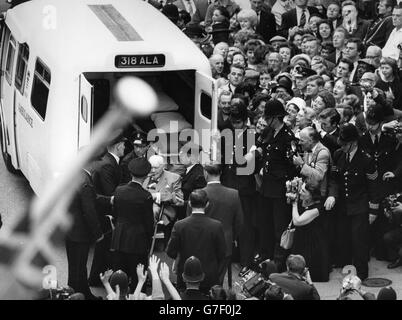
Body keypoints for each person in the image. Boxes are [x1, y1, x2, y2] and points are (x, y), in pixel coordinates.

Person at [326, 123, 380, 280]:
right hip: (343, 206)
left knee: (359, 241)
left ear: (354, 142)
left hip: (360, 206)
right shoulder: (338, 155)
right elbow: (334, 180)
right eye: (341, 144)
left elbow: (373, 186)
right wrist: (332, 195)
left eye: (345, 144)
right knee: (343, 239)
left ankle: (361, 273)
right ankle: (347, 269)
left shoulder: (366, 159)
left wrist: (373, 210)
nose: (342, 147)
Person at [256, 99, 297, 271]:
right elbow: (262, 148)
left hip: (280, 187)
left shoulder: (287, 137)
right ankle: (266, 255)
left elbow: (291, 165)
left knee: (279, 226)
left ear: (276, 118)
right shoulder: (269, 132)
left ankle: (279, 261)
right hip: (267, 186)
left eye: (268, 118)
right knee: (266, 223)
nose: (265, 121)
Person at [166, 189, 226, 293]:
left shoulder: (179, 225)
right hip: (209, 275)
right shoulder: (216, 226)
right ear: (207, 204)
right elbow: (222, 253)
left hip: (186, 274)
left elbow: (171, 252)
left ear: (189, 203)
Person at [110, 157, 154, 292]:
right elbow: (148, 223)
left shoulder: (119, 190)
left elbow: (116, 214)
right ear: (147, 176)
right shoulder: (146, 196)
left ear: (130, 173)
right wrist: (150, 236)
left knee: (119, 276)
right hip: (137, 241)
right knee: (138, 278)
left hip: (119, 237)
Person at [88, 134, 126, 287]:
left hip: (104, 212)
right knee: (104, 248)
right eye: (123, 145)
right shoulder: (108, 165)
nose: (125, 148)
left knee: (104, 248)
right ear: (117, 146)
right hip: (105, 213)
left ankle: (100, 278)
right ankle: (97, 279)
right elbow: (111, 193)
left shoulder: (110, 162)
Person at [65, 164, 105, 300]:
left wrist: (108, 200)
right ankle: (80, 295)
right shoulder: (85, 181)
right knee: (80, 267)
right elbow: (89, 210)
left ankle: (78, 293)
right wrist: (98, 233)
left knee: (75, 267)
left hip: (70, 228)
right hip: (80, 233)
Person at [202, 163, 244, 286]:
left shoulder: (199, 193)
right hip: (225, 241)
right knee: (218, 279)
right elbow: (239, 222)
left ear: (206, 173)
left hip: (203, 241)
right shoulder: (233, 194)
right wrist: (232, 237)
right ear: (220, 173)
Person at [290, 181, 329, 282]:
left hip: (312, 241)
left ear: (311, 195)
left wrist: (294, 205)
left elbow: (297, 221)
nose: (300, 192)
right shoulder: (302, 199)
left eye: (303, 191)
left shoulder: (317, 208)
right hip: (301, 237)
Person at [143, 155, 184, 243]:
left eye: (156, 168)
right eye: (151, 167)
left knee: (153, 209)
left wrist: (157, 196)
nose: (153, 170)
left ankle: (146, 236)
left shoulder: (174, 177)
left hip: (164, 209)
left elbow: (178, 198)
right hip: (143, 206)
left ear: (163, 166)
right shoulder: (143, 175)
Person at [293, 126, 331, 197]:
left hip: (318, 195)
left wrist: (302, 164)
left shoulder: (323, 153)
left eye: (302, 140)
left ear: (310, 141)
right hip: (307, 194)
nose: (299, 143)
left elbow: (319, 176)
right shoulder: (307, 149)